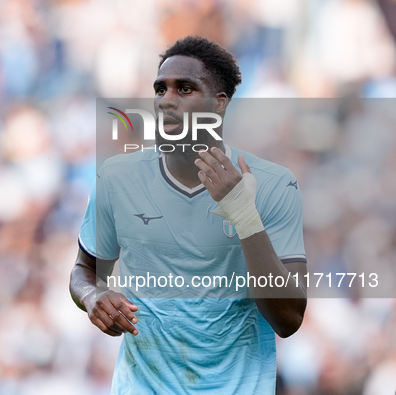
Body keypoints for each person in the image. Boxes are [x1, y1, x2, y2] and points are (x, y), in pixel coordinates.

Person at [69, 36, 307, 394]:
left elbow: (288, 319)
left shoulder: (274, 184)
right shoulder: (116, 178)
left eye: (185, 89)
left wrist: (242, 213)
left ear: (219, 103)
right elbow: (84, 270)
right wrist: (92, 297)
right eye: (160, 89)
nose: (166, 100)